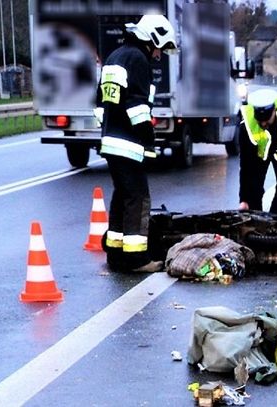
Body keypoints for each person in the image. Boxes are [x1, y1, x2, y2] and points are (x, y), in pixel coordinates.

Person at [95, 15, 178, 272]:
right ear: (152, 39)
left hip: (110, 139)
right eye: (159, 49)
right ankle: (136, 259)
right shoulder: (138, 60)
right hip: (129, 143)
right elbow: (138, 109)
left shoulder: (115, 56)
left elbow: (101, 104)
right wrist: (149, 142)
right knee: (139, 198)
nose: (158, 56)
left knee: (122, 196)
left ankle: (116, 255)